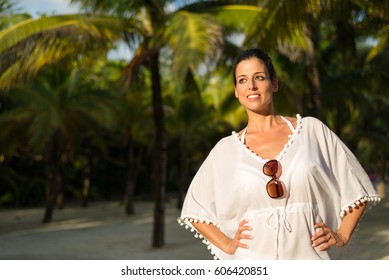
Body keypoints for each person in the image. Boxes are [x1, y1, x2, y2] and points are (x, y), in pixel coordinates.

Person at [177, 48, 380, 260]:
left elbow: (357, 185)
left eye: (260, 77)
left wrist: (342, 235)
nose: (252, 86)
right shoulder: (226, 149)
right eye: (243, 80)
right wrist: (228, 245)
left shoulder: (311, 130)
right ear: (236, 91)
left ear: (274, 84)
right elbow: (195, 209)